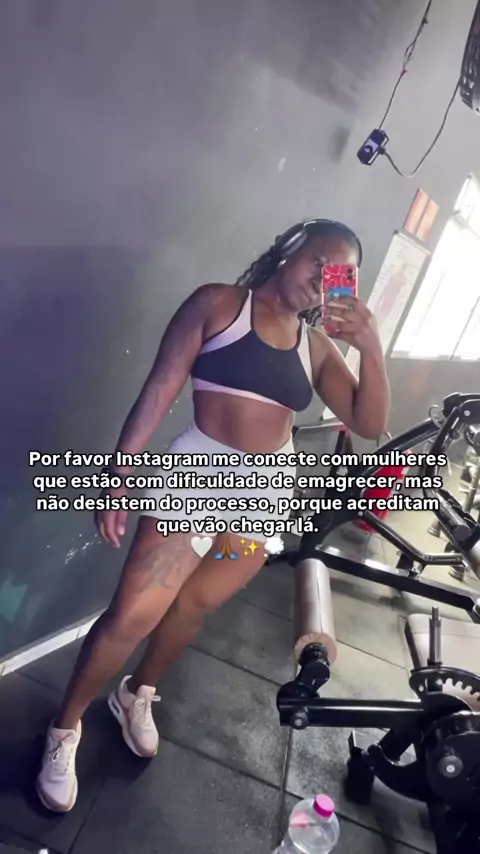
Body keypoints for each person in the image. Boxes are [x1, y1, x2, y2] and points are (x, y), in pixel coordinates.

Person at [36, 218, 390, 812]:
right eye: (319, 261)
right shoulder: (220, 304)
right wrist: (120, 473)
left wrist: (371, 347)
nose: (322, 280)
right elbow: (160, 386)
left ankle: (137, 693)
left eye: (339, 274)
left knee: (195, 607)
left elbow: (369, 422)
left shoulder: (317, 346)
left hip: (264, 493)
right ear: (290, 250)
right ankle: (63, 729)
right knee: (132, 615)